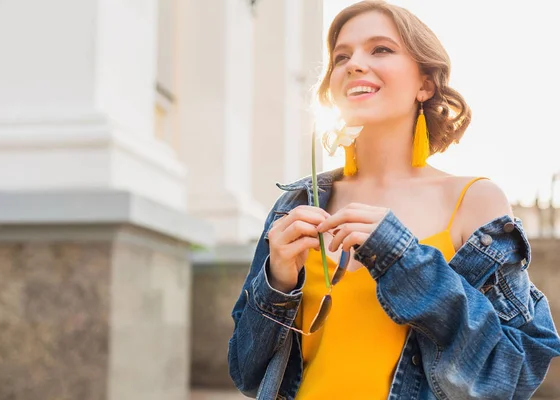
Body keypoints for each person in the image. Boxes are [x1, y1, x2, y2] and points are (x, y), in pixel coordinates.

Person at [227, 1, 560, 399]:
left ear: (426, 84)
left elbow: (514, 370)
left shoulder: (475, 201)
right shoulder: (297, 204)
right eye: (341, 56)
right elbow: (247, 374)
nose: (354, 64)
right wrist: (278, 282)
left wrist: (401, 260)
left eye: (380, 49)